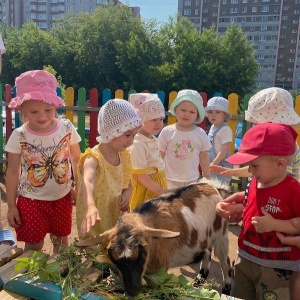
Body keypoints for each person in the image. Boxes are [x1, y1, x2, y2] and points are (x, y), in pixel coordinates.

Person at [217, 122, 300, 300]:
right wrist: (232, 212)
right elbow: (250, 209)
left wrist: (275, 224)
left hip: (277, 266)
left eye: (254, 166)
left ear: (280, 164)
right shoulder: (255, 181)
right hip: (245, 257)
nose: (249, 171)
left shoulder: (294, 191)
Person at [5, 70, 81, 254]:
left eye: (48, 110)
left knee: (61, 245)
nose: (42, 116)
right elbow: (13, 172)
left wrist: (78, 187)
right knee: (33, 248)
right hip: (31, 201)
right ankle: (32, 282)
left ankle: (61, 279)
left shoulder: (66, 127)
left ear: (55, 105)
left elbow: (77, 159)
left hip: (62, 197)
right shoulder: (19, 135)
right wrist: (11, 206)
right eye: (34, 111)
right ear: (22, 109)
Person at [76, 99, 142, 243]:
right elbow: (88, 182)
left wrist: (127, 194)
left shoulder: (124, 155)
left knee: (113, 248)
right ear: (111, 131)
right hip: (95, 217)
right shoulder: (93, 158)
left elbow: (128, 182)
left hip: (114, 214)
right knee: (94, 251)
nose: (131, 140)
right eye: (127, 135)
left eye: (134, 136)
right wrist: (90, 206)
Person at [210, 87, 300, 180]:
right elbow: (255, 168)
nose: (256, 127)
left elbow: (276, 186)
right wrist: (232, 172)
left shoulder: (283, 148)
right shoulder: (269, 144)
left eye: (257, 123)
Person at [158, 89, 211, 189]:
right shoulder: (167, 131)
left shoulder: (200, 133)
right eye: (183, 110)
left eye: (192, 112)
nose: (187, 114)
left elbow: (204, 156)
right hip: (169, 179)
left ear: (197, 115)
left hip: (192, 180)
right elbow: (160, 154)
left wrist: (207, 176)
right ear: (175, 110)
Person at [128, 93, 168, 211]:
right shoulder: (137, 144)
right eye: (153, 119)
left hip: (157, 185)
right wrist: (160, 191)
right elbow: (140, 174)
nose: (159, 123)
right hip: (147, 189)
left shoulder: (152, 138)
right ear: (140, 120)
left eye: (161, 119)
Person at [205, 96, 232, 185]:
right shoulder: (213, 127)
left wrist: (214, 163)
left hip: (221, 165)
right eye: (210, 112)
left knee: (220, 187)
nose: (213, 115)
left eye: (217, 112)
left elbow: (224, 149)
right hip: (212, 163)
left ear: (224, 114)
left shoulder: (225, 129)